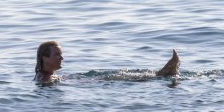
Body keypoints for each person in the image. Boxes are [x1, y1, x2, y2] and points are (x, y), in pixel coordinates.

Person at [34, 41, 180, 83]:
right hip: (84, 83)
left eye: (61, 54)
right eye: (57, 55)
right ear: (45, 58)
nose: (62, 58)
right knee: (119, 78)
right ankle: (162, 75)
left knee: (119, 76)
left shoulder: (46, 76)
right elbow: (45, 82)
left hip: (81, 80)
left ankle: (161, 74)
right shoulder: (44, 78)